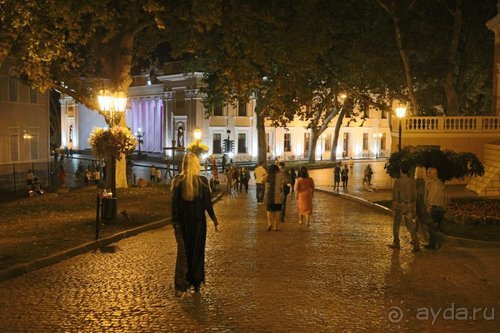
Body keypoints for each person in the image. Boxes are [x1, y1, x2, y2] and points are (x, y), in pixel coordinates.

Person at [171, 153, 219, 295]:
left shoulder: (178, 181)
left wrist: (175, 222)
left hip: (183, 222)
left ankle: (182, 282)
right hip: (198, 223)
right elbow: (207, 204)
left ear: (184, 164)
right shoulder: (202, 181)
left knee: (184, 252)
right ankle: (196, 281)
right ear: (196, 165)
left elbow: (175, 206)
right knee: (197, 253)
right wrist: (214, 220)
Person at [389, 164, 420, 253]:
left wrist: (394, 208)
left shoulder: (398, 182)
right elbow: (415, 195)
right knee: (410, 225)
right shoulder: (412, 181)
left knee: (396, 225)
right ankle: (416, 244)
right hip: (409, 205)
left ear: (401, 171)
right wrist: (414, 207)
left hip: (400, 206)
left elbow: (395, 196)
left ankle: (397, 243)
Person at [425, 167, 446, 250]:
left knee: (431, 227)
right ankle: (434, 243)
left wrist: (428, 208)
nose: (427, 174)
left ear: (433, 174)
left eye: (429, 173)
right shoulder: (439, 183)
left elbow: (431, 198)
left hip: (434, 208)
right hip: (440, 208)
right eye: (427, 172)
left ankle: (433, 244)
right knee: (435, 227)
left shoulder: (434, 184)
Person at [262, 164, 286, 231]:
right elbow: (285, 182)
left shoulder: (268, 175)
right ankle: (276, 226)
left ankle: (269, 223)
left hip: (270, 195)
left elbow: (262, 180)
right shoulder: (281, 175)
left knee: (269, 210)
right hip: (278, 195)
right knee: (277, 210)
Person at [414, 165, 427, 241]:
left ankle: (418, 238)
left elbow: (419, 193)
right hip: (421, 203)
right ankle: (416, 238)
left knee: (419, 221)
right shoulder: (422, 181)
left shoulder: (418, 181)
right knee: (419, 221)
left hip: (419, 203)